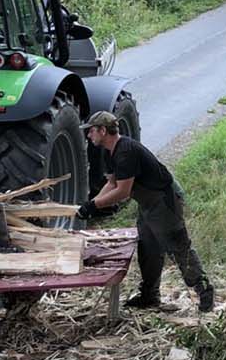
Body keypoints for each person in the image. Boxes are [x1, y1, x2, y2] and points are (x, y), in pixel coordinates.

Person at [79, 111, 215, 313]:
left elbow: (123, 192)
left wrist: (94, 206)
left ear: (103, 130)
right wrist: (90, 204)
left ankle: (205, 292)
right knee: (148, 248)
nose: (89, 135)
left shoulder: (125, 151)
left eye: (91, 131)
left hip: (164, 199)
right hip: (147, 203)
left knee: (178, 246)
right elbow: (112, 183)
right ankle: (150, 296)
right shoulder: (108, 151)